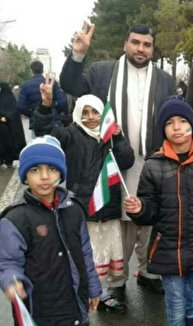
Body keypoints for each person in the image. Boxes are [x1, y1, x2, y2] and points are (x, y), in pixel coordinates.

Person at [60, 22, 176, 299]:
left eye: (147, 44)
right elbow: (71, 85)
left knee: (150, 220)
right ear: (125, 44)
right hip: (112, 161)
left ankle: (149, 272)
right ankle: (117, 283)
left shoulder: (163, 79)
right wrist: (78, 55)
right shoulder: (102, 71)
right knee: (119, 225)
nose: (141, 48)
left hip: (152, 161)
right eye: (135, 42)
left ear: (152, 49)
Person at [124, 98, 193, 326]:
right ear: (162, 129)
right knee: (176, 314)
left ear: (192, 126)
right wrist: (139, 209)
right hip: (168, 252)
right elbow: (150, 211)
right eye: (169, 122)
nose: (176, 127)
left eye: (183, 121)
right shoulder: (153, 165)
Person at [33, 76, 135, 313]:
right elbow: (44, 131)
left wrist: (118, 137)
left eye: (95, 112)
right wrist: (45, 105)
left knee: (109, 256)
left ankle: (105, 295)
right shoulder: (70, 135)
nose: (90, 117)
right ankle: (83, 295)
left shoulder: (109, 135)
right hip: (81, 209)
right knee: (84, 257)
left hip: (108, 208)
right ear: (79, 113)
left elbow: (127, 161)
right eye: (85, 112)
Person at [0, 135, 102, 326]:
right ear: (25, 176)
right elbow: (7, 262)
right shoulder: (15, 219)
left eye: (52, 169)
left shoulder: (75, 210)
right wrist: (11, 282)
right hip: (39, 310)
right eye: (35, 169)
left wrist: (93, 288)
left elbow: (85, 253)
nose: (45, 176)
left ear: (61, 174)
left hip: (75, 307)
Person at [17, 61, 68, 140]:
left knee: (39, 149)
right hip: (54, 121)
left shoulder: (25, 85)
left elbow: (20, 106)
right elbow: (63, 102)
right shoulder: (51, 83)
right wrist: (55, 110)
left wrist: (32, 113)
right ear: (42, 70)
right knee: (56, 148)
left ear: (31, 71)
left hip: (36, 123)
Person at [0, 82, 26, 167]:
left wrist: (7, 117)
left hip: (9, 128)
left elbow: (13, 112)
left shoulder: (10, 99)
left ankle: (8, 161)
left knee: (8, 145)